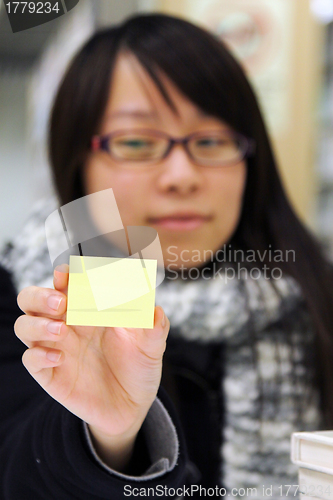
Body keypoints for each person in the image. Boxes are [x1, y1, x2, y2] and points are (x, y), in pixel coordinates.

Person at [2, 13, 333, 499]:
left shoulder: (316, 295)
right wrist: (111, 437)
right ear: (77, 162)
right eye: (137, 141)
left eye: (211, 141)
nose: (181, 174)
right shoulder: (29, 302)